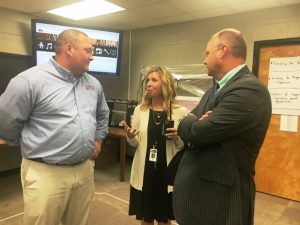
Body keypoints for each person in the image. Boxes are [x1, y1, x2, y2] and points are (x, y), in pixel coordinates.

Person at [0, 29, 110, 225]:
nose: (92, 57)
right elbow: (5, 122)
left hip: (84, 170)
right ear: (69, 49)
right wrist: (25, 141)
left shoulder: (94, 84)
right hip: (45, 173)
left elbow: (102, 114)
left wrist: (98, 139)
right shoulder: (28, 81)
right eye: (88, 51)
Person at [173, 28, 272, 225]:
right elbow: (186, 120)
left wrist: (193, 122)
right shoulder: (216, 88)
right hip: (199, 199)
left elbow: (197, 132)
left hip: (219, 203)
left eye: (207, 53)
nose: (204, 60)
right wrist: (192, 120)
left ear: (222, 50)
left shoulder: (248, 89)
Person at [121, 66, 188, 225]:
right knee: (146, 217)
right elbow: (135, 142)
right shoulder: (140, 110)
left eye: (154, 80)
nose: (148, 84)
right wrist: (130, 136)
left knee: (165, 219)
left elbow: (183, 146)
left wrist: (178, 136)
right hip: (146, 170)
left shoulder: (180, 112)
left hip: (167, 171)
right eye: (147, 80)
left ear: (165, 84)